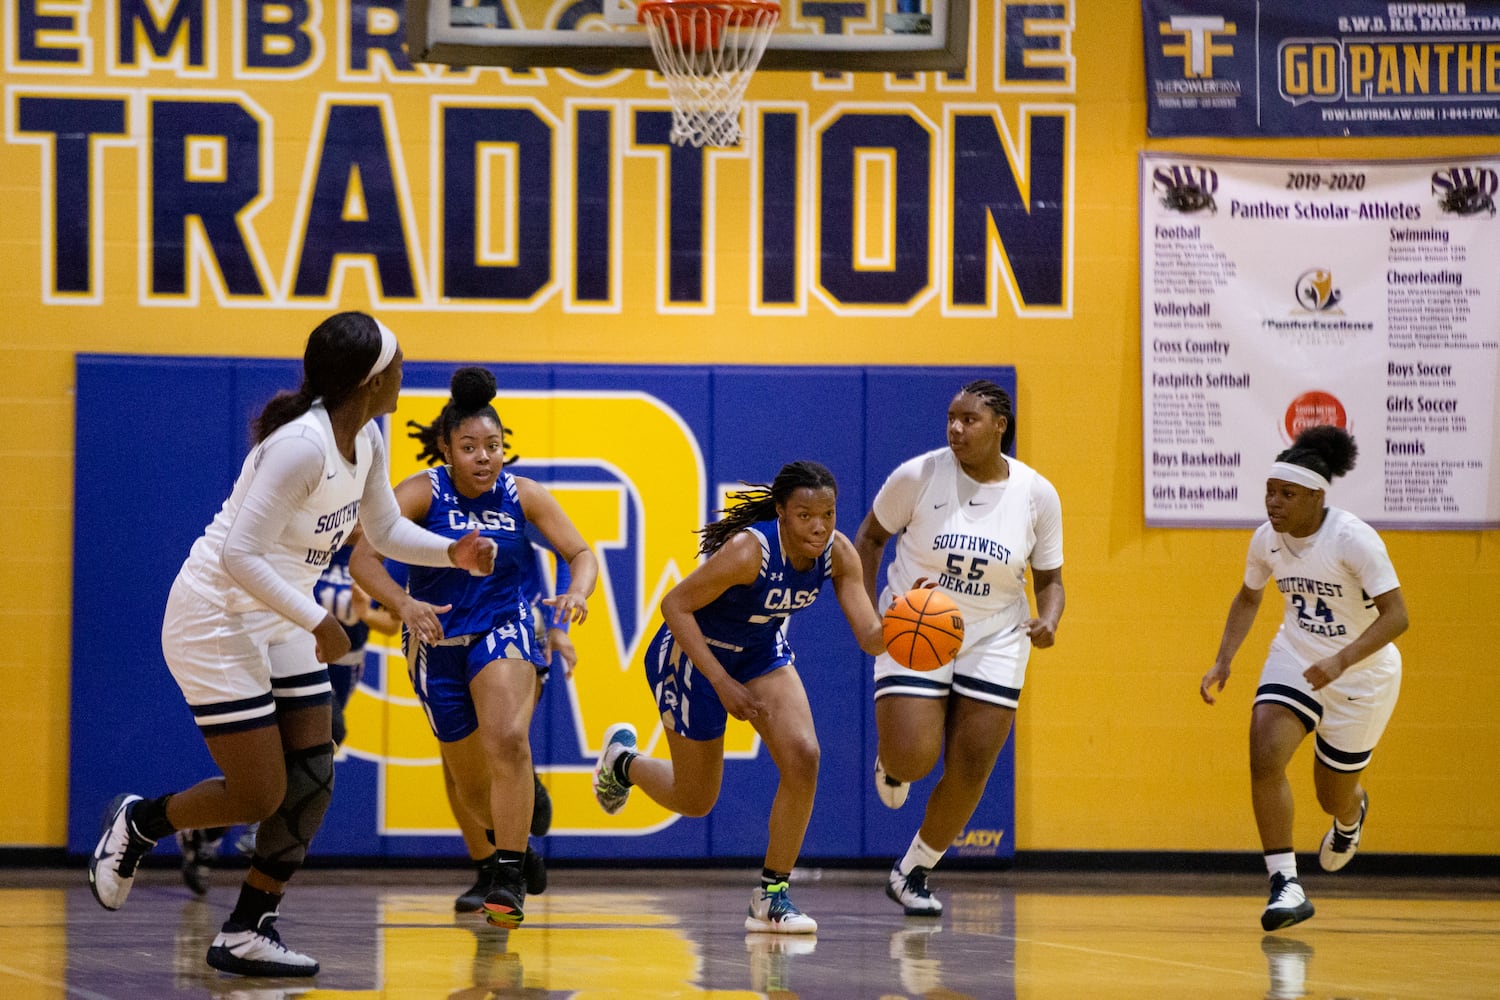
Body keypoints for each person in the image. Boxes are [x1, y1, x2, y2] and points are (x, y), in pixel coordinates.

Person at [88, 311, 498, 978]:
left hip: (279, 614)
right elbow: (241, 557)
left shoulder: (366, 435)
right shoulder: (300, 447)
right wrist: (314, 620)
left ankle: (249, 929)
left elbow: (386, 527)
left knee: (310, 779)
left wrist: (453, 551)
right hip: (216, 617)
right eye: (396, 362)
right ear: (369, 379)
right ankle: (139, 824)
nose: (404, 370)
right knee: (257, 794)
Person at [351, 366, 598, 930]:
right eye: (470, 447)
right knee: (470, 787)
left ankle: (506, 877)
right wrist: (404, 605)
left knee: (507, 738)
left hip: (504, 625)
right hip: (435, 640)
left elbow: (580, 551)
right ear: (446, 449)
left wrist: (576, 592)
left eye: (494, 446)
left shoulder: (524, 494)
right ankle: (519, 844)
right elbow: (364, 560)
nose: (485, 457)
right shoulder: (419, 492)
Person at [591, 460, 886, 933]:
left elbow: (870, 636)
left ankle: (771, 895)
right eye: (805, 515)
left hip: (758, 652)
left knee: (804, 756)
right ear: (781, 514)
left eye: (828, 514)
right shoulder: (751, 551)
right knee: (695, 800)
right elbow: (675, 606)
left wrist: (910, 623)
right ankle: (623, 762)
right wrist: (721, 683)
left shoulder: (839, 554)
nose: (819, 526)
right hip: (693, 655)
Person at [853, 379, 1064, 918]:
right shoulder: (919, 475)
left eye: (969, 419)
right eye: (951, 417)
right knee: (915, 757)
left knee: (973, 762)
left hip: (995, 634)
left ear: (1000, 426)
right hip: (918, 618)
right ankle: (894, 762)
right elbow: (869, 539)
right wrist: (873, 615)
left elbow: (1051, 580)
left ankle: (914, 870)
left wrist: (1051, 619)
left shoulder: (1037, 494)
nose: (955, 428)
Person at [1199, 425, 1408, 932]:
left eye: (1287, 493)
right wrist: (1223, 660)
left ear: (1316, 496)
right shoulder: (1266, 539)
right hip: (1297, 656)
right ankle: (1285, 883)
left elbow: (1397, 616)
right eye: (1270, 491)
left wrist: (1341, 662)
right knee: (1264, 745)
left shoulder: (1353, 538)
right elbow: (1249, 597)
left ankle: (1350, 815)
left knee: (1330, 794)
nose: (1274, 502)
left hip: (1363, 675)